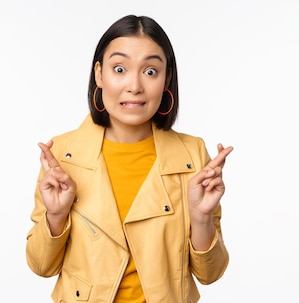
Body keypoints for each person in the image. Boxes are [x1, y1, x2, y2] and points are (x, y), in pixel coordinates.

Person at [25, 14, 232, 302]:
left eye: (150, 71)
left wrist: (200, 219)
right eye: (119, 69)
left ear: (166, 78)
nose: (134, 85)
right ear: (99, 74)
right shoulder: (62, 155)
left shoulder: (192, 155)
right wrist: (56, 216)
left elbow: (211, 273)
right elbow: (40, 266)